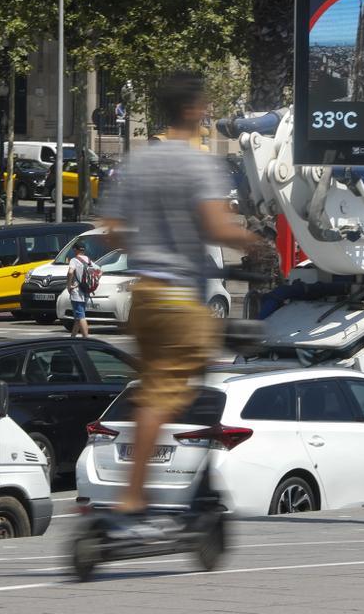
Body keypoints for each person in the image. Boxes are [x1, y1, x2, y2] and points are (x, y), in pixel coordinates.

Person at [100, 71, 258, 526]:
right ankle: (133, 497)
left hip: (142, 295)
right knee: (163, 395)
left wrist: (149, 242)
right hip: (178, 300)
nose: (207, 113)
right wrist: (253, 240)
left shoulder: (138, 162)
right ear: (191, 110)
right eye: (204, 106)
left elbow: (111, 230)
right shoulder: (196, 162)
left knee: (167, 388)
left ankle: (157, 486)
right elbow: (215, 227)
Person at [66, 241, 97, 338]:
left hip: (77, 292)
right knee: (78, 317)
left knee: (81, 317)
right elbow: (100, 271)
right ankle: (72, 338)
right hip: (86, 291)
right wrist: (93, 282)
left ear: (75, 249)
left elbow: (70, 272)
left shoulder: (74, 260)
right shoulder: (88, 260)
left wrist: (69, 285)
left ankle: (86, 339)